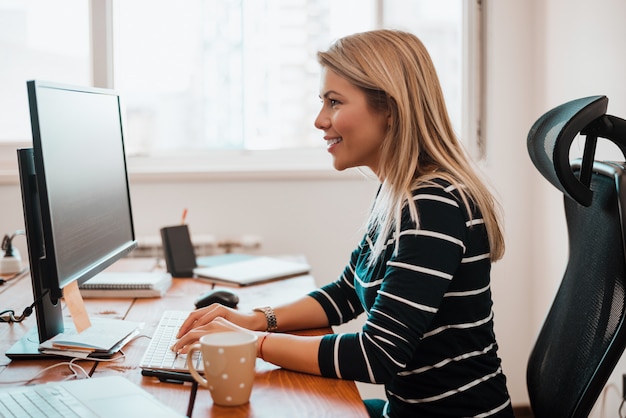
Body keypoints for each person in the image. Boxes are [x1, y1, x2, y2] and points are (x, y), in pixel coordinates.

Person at [172, 29, 514, 417]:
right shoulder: (397, 192)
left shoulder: (433, 204)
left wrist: (251, 342)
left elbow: (376, 355)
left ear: (389, 108)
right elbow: (347, 291)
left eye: (334, 102)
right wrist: (253, 319)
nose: (320, 120)